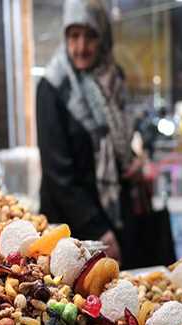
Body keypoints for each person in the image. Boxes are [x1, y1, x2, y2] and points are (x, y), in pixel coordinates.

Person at [36, 0, 142, 262]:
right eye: (73, 36)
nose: (81, 47)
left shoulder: (113, 78)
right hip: (72, 231)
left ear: (104, 37)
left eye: (90, 36)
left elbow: (117, 141)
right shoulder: (53, 87)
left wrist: (135, 161)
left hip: (117, 217)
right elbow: (58, 174)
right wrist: (99, 230)